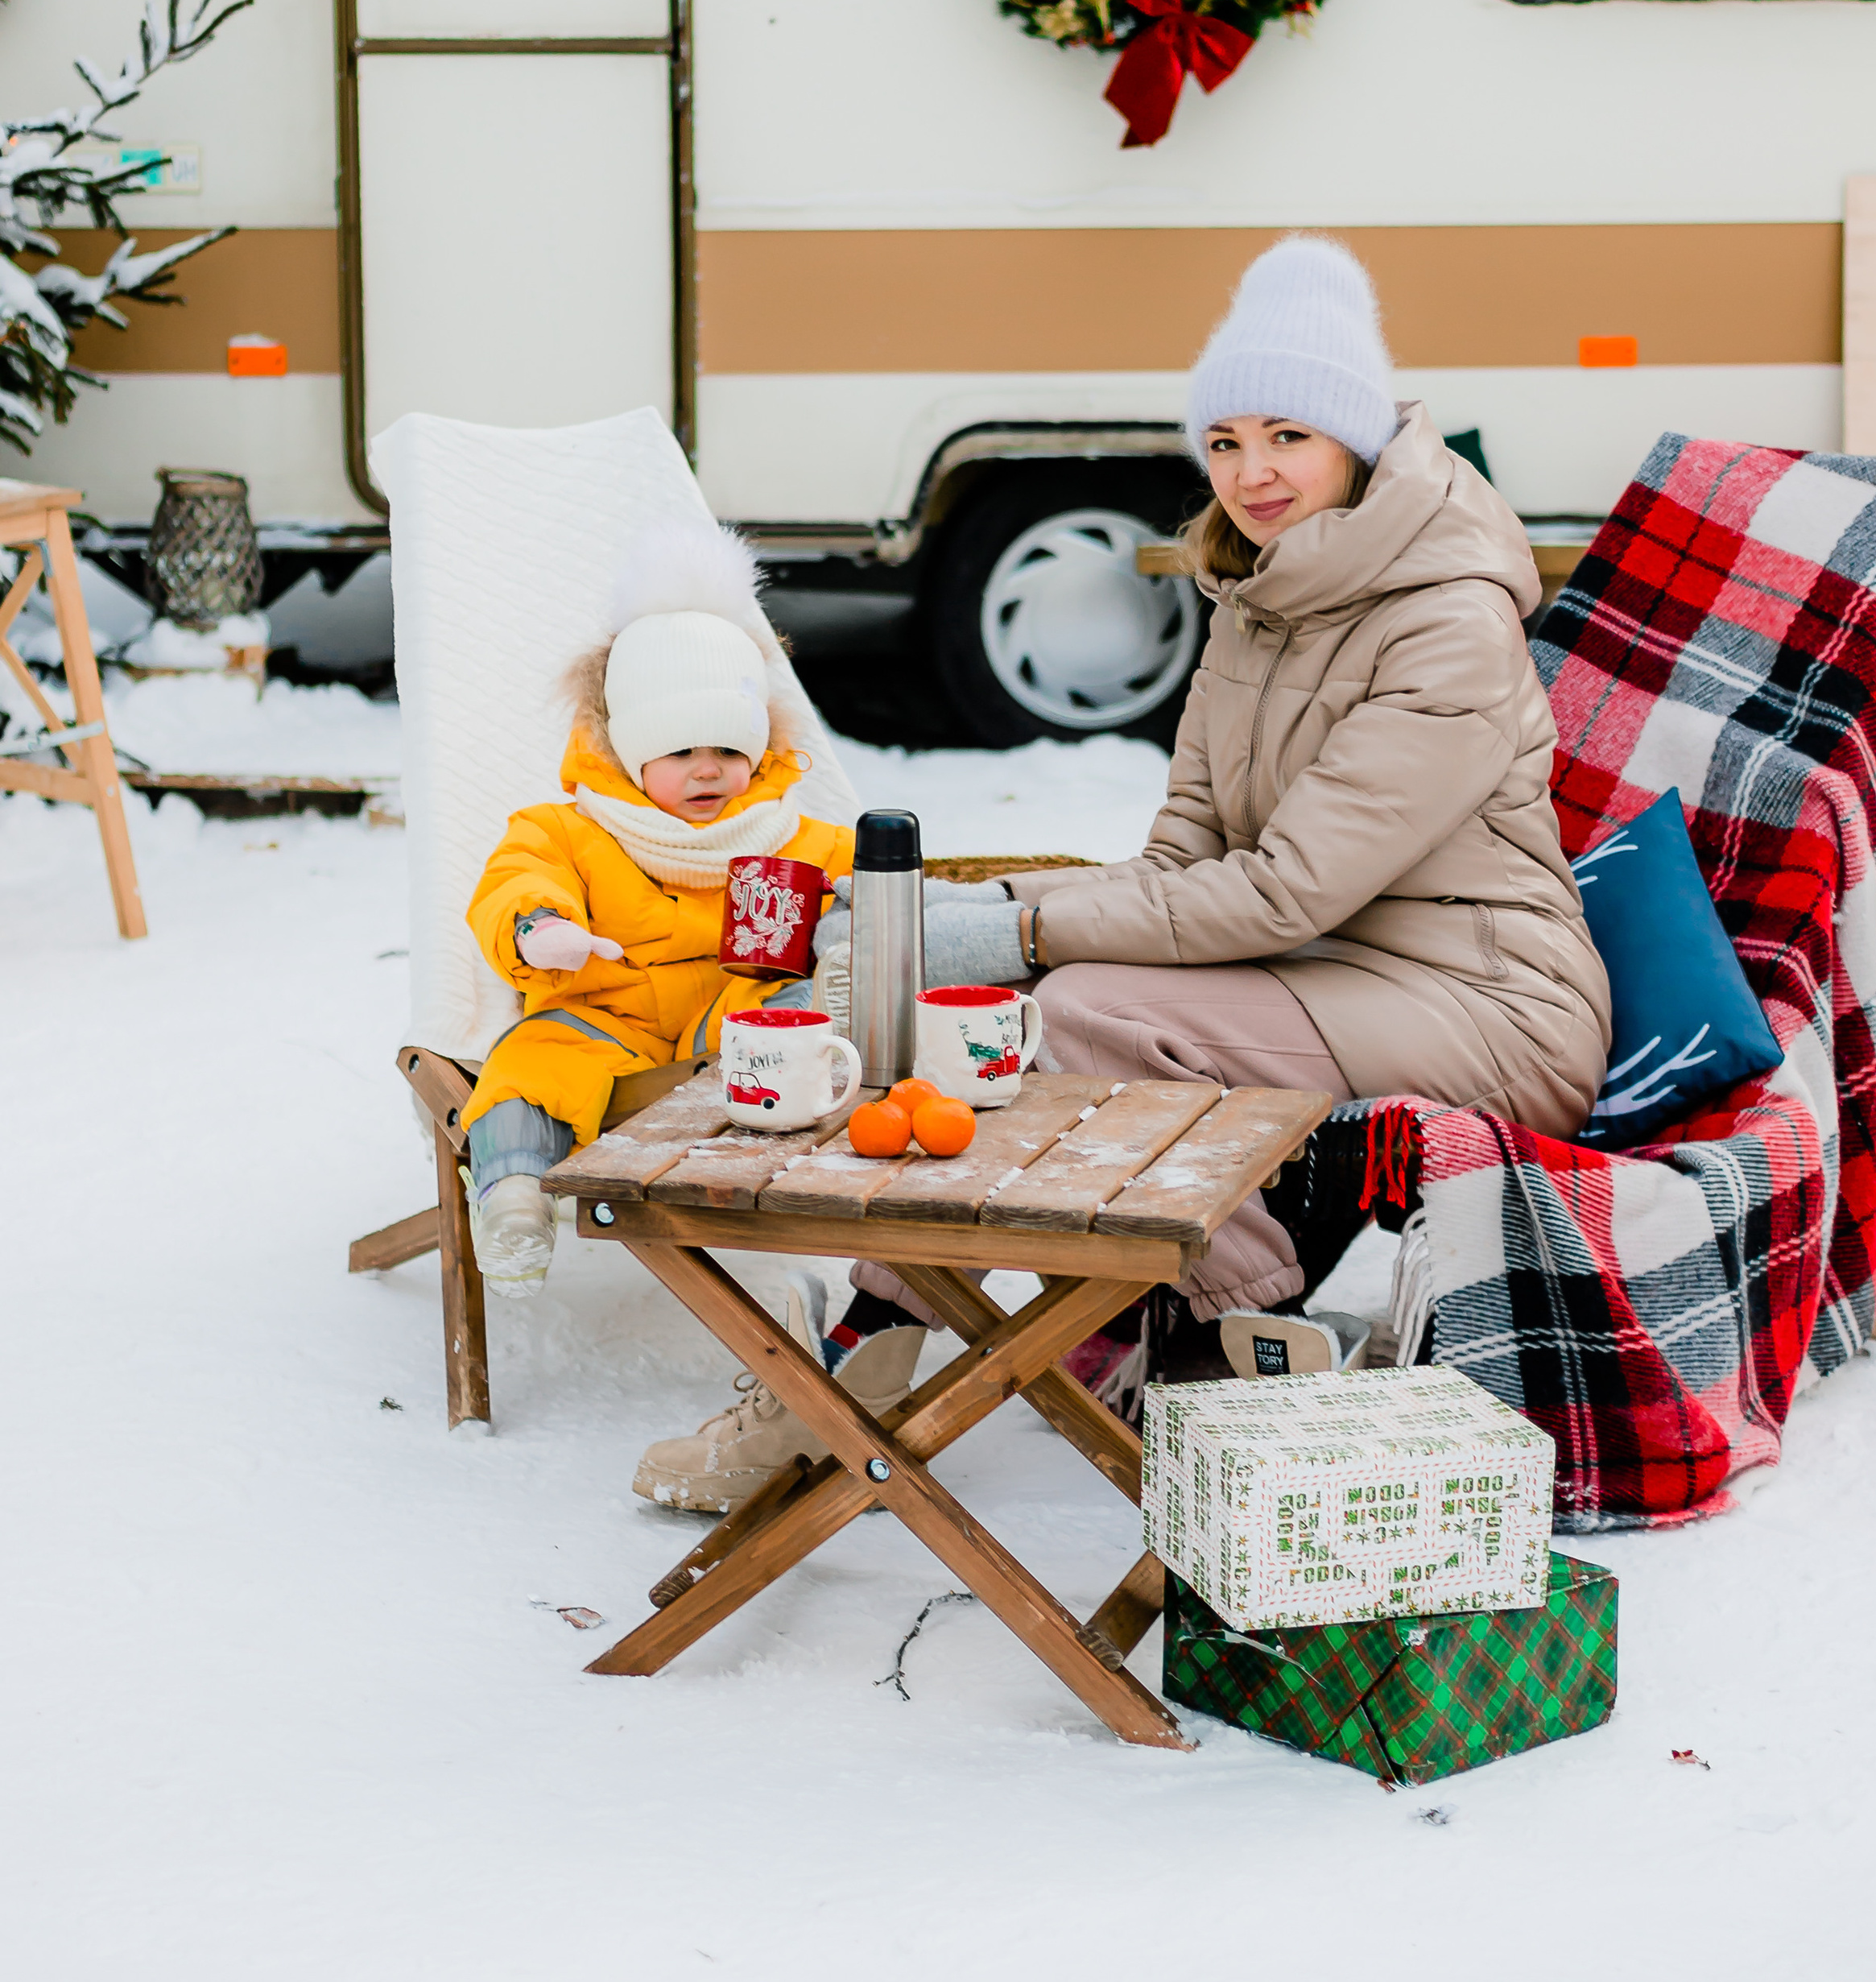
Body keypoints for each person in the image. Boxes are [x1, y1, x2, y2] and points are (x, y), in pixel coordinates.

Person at [659, 233, 1609, 1492]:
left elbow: (1285, 892)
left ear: (1358, 444)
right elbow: (1179, 858)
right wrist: (981, 914)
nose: (1253, 474)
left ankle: (1220, 1347)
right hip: (1326, 980)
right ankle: (900, 1348)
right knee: (1015, 1009)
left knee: (1086, 1008)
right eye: (1225, 443)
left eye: (1288, 437)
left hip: (1488, 1006)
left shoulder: (1449, 622)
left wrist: (1021, 933)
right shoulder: (1258, 601)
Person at [459, 519, 855, 1293]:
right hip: (607, 1021)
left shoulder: (800, 838)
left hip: (734, 1036)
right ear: (629, 751)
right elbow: (515, 878)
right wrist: (540, 931)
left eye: (729, 751)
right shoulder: (568, 828)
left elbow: (863, 899)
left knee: (808, 1004)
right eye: (680, 752)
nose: (708, 772)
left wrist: (845, 930)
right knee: (529, 1065)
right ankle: (511, 1199)